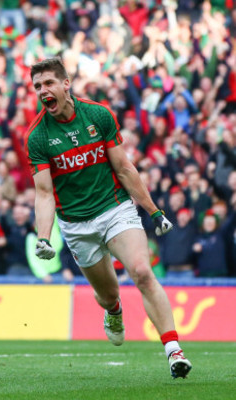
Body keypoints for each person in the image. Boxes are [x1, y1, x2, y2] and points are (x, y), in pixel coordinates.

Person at [26, 57, 192, 379]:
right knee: (108, 295)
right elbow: (44, 193)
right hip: (76, 225)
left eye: (48, 83)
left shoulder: (99, 115)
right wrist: (44, 236)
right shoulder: (37, 137)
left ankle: (174, 351)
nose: (42, 91)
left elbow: (124, 169)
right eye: (36, 86)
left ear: (65, 84)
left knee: (142, 272)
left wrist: (153, 211)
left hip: (115, 208)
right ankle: (114, 312)